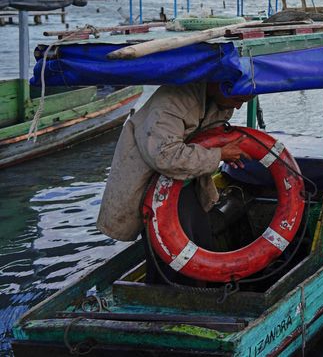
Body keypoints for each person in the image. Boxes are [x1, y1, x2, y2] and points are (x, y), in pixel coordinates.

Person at [97, 82, 253, 282]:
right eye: (238, 100)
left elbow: (208, 139)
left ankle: (201, 291)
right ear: (221, 84)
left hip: (188, 185)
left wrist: (223, 151)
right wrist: (220, 154)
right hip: (153, 192)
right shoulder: (172, 103)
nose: (238, 107)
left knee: (202, 242)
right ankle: (167, 299)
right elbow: (164, 156)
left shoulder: (220, 103)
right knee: (171, 259)